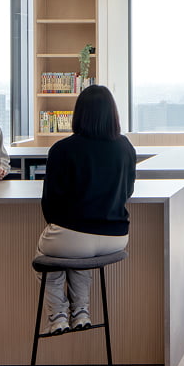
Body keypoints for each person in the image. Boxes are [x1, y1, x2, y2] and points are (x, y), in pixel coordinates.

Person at [38, 85, 136, 334]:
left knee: (53, 253)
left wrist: (64, 227)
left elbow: (49, 202)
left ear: (79, 114)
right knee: (78, 255)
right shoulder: (125, 147)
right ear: (113, 114)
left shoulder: (62, 149)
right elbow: (128, 192)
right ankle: (81, 310)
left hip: (72, 237)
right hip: (116, 238)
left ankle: (58, 315)